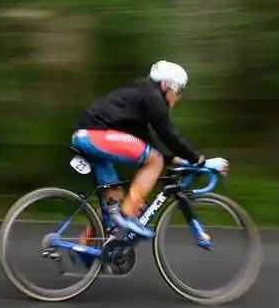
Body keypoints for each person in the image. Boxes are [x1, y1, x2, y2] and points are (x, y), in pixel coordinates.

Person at [69, 60, 229, 258]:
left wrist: (185, 161)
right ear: (166, 85)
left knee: (114, 201)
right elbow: (167, 133)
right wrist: (198, 160)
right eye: (178, 91)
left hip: (88, 136)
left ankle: (83, 249)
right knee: (155, 161)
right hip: (93, 135)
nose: (178, 97)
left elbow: (152, 143)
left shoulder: (140, 100)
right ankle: (130, 214)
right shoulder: (152, 96)